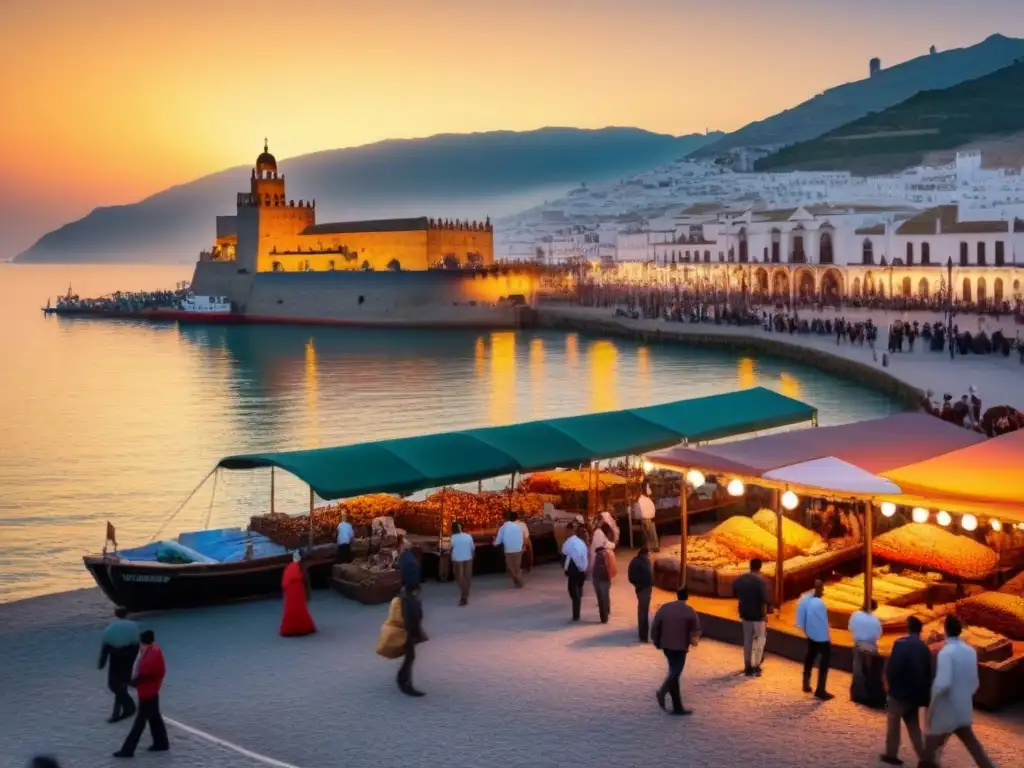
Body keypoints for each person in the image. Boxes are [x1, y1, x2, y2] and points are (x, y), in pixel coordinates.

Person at [919, 615, 995, 768]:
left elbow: (942, 684)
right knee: (974, 748)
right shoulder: (970, 651)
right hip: (963, 708)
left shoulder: (946, 653)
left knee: (930, 749)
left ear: (945, 631)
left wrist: (932, 708)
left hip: (946, 711)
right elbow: (974, 683)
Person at [880, 616, 931, 766]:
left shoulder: (900, 644)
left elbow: (893, 669)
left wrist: (888, 685)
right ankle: (925, 758)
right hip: (915, 695)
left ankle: (891, 754)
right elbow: (928, 673)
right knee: (914, 727)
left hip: (899, 693)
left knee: (893, 724)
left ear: (908, 628)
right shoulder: (924, 648)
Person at [113, 630, 168, 758]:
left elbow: (143, 676)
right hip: (152, 691)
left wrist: (128, 683)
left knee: (140, 722)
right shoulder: (155, 650)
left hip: (147, 693)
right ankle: (161, 743)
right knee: (154, 718)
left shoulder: (148, 658)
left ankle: (127, 750)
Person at [651, 588, 700, 716]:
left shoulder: (665, 608)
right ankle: (662, 691)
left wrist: (656, 640)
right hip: (680, 647)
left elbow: (655, 624)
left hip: (666, 645)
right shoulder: (690, 611)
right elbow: (695, 630)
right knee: (676, 671)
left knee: (674, 672)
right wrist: (693, 642)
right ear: (687, 597)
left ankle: (677, 707)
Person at [98, 607, 140, 722]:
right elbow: (137, 643)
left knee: (115, 685)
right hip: (130, 657)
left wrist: (102, 661)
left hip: (116, 658)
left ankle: (128, 708)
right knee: (123, 684)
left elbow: (106, 646)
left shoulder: (111, 629)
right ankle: (117, 713)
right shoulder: (133, 626)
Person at [732, 558, 772, 677]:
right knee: (760, 639)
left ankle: (747, 665)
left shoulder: (740, 579)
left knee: (747, 640)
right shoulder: (761, 581)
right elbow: (765, 598)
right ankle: (756, 665)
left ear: (750, 566)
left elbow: (734, 590)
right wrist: (769, 607)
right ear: (760, 567)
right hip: (759, 615)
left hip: (745, 614)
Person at [795, 580, 833, 700]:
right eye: (821, 589)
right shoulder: (818, 603)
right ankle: (820, 689)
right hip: (821, 637)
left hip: (810, 634)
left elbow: (801, 618)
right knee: (825, 660)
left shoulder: (805, 600)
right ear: (817, 589)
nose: (823, 591)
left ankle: (806, 683)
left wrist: (806, 630)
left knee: (810, 656)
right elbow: (823, 622)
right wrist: (826, 636)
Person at [849, 599, 886, 708]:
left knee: (858, 670)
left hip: (859, 644)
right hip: (871, 646)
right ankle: (872, 696)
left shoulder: (855, 615)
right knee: (872, 672)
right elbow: (878, 634)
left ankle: (858, 695)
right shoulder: (875, 620)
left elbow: (851, 628)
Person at [397, 584, 427, 697]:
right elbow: (413, 619)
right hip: (408, 632)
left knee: (410, 657)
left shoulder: (407, 600)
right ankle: (405, 682)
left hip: (409, 631)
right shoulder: (411, 602)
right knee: (410, 656)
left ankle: (402, 677)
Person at [280, 551, 317, 637]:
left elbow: (286, 582)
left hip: (294, 590)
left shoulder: (292, 567)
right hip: (297, 590)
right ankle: (301, 627)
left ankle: (293, 628)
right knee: (298, 608)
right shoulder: (297, 567)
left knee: (294, 608)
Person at [561, 522, 588, 621]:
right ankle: (576, 612)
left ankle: (576, 614)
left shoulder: (568, 543)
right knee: (578, 590)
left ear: (570, 530)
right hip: (582, 570)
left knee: (573, 591)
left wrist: (566, 568)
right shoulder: (580, 542)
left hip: (574, 570)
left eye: (566, 530)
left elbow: (564, 556)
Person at [591, 523, 617, 623]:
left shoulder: (601, 553)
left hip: (598, 577)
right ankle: (605, 614)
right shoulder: (607, 552)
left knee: (601, 597)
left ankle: (604, 616)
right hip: (603, 577)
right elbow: (611, 567)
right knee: (604, 596)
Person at [627, 546, 654, 642]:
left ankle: (642, 633)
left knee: (642, 609)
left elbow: (630, 576)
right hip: (645, 588)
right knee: (644, 611)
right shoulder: (646, 562)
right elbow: (650, 576)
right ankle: (643, 635)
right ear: (646, 553)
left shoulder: (634, 561)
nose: (651, 555)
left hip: (639, 588)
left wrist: (636, 584)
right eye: (650, 552)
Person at [493, 511, 525, 588]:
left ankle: (519, 582)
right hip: (518, 549)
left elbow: (499, 540)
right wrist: (522, 546)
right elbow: (521, 537)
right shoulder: (518, 526)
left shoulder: (503, 528)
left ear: (504, 518)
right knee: (516, 567)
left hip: (509, 550)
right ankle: (518, 582)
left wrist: (494, 543)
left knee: (511, 568)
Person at [450, 521, 475, 606]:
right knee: (467, 578)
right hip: (468, 558)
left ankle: (464, 597)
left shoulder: (452, 538)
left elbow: (450, 548)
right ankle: (465, 595)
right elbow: (472, 548)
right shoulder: (468, 536)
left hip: (457, 560)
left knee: (460, 578)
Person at [634, 488, 659, 552]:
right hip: (650, 519)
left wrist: (637, 518)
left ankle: (648, 547)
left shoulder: (639, 500)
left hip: (644, 519)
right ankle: (654, 547)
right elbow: (653, 509)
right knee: (652, 534)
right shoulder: (648, 499)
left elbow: (638, 512)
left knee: (646, 535)